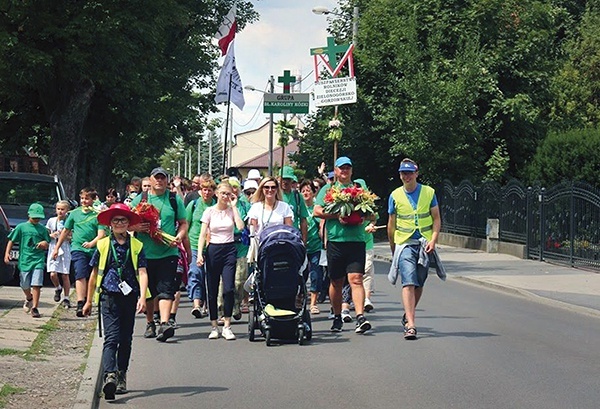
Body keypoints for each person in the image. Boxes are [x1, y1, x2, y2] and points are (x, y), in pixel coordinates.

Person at [83, 203, 148, 400]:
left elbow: (143, 272)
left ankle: (121, 374)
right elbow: (94, 273)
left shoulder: (137, 246)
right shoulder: (103, 245)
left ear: (129, 224)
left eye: (123, 220)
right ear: (110, 224)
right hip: (108, 297)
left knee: (126, 339)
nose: (119, 223)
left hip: (129, 297)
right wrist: (87, 301)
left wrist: (143, 297)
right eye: (116, 220)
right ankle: (109, 376)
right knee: (111, 338)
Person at [313, 156, 373, 334]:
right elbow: (317, 211)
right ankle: (337, 315)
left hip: (356, 240)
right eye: (341, 168)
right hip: (336, 241)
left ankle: (360, 317)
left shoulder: (359, 189)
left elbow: (371, 213)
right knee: (336, 281)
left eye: (348, 168)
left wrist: (363, 216)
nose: (344, 171)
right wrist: (336, 215)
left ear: (352, 171)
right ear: (336, 171)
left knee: (356, 279)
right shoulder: (329, 189)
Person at [129, 167, 188, 342]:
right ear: (151, 180)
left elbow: (183, 223)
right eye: (157, 178)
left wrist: (179, 237)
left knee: (166, 288)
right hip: (145, 253)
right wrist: (136, 227)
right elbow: (126, 223)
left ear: (166, 181)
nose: (159, 181)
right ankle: (150, 323)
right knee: (149, 291)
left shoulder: (173, 199)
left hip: (168, 252)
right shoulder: (141, 199)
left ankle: (164, 323)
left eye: (163, 178)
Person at [387, 158, 441, 340]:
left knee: (419, 282)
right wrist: (394, 249)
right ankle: (411, 324)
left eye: (410, 172)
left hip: (424, 244)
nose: (406, 176)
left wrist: (433, 240)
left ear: (416, 173)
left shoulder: (428, 192)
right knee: (408, 282)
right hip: (405, 244)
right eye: (403, 173)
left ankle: (407, 314)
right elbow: (391, 225)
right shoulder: (394, 195)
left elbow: (436, 219)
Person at [197, 182, 245, 340]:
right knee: (212, 289)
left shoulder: (232, 211)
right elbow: (203, 234)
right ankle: (213, 325)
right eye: (222, 193)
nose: (225, 196)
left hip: (229, 249)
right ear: (216, 194)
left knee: (228, 289)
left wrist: (235, 206)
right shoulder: (209, 211)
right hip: (213, 250)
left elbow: (240, 226)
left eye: (228, 193)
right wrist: (199, 254)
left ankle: (227, 325)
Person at [53, 187, 106, 317]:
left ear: (93, 200)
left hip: (94, 249)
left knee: (92, 276)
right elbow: (65, 231)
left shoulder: (98, 215)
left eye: (87, 198)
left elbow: (101, 234)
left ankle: (89, 300)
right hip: (78, 248)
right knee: (80, 274)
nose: (84, 201)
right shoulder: (74, 214)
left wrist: (91, 243)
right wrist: (56, 247)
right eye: (82, 198)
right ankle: (80, 302)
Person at [4, 203, 51, 318]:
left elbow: (47, 242)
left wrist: (44, 244)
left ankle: (35, 307)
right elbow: (11, 240)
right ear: (29, 215)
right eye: (34, 217)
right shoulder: (21, 227)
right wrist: (7, 253)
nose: (36, 219)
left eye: (38, 218)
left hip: (38, 260)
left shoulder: (42, 229)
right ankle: (29, 297)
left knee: (37, 284)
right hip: (25, 259)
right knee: (24, 284)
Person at [186, 177, 216, 319]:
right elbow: (185, 224)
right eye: (204, 189)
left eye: (210, 190)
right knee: (196, 273)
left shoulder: (217, 206)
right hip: (194, 243)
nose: (207, 192)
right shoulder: (194, 204)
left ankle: (207, 305)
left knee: (209, 276)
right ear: (200, 191)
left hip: (213, 245)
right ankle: (196, 304)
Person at [299, 180, 324, 314]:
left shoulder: (316, 208)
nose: (306, 193)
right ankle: (301, 298)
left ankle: (313, 303)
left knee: (315, 274)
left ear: (314, 193)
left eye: (308, 190)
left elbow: (322, 224)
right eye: (303, 191)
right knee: (301, 274)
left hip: (315, 247)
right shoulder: (299, 208)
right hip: (301, 248)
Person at [46, 200, 72, 308]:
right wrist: (53, 235)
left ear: (67, 210)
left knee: (65, 274)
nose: (60, 211)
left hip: (65, 249)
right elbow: (46, 235)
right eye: (58, 209)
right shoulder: (51, 221)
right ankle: (57, 288)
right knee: (53, 273)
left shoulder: (69, 222)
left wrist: (64, 236)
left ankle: (66, 297)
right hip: (53, 248)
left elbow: (72, 237)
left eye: (63, 209)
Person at [279, 166, 308, 243]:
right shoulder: (275, 195)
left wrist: (304, 240)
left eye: (288, 179)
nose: (285, 182)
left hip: (293, 237)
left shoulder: (297, 196)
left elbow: (303, 219)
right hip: (278, 236)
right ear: (279, 179)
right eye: (283, 179)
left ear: (292, 180)